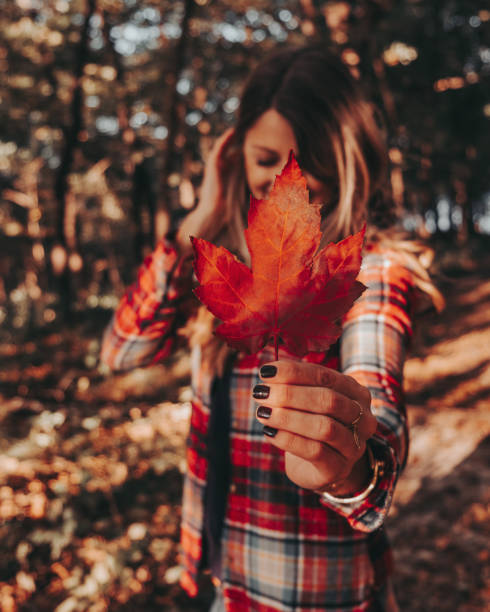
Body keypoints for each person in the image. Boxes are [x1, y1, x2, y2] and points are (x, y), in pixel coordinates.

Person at [100, 45, 442, 612]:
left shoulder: (369, 270)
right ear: (233, 156)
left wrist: (343, 465)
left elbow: (378, 444)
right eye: (266, 159)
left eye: (311, 164)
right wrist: (199, 219)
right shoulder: (221, 265)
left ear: (347, 161)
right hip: (222, 582)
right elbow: (120, 353)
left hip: (312, 596)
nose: (287, 181)